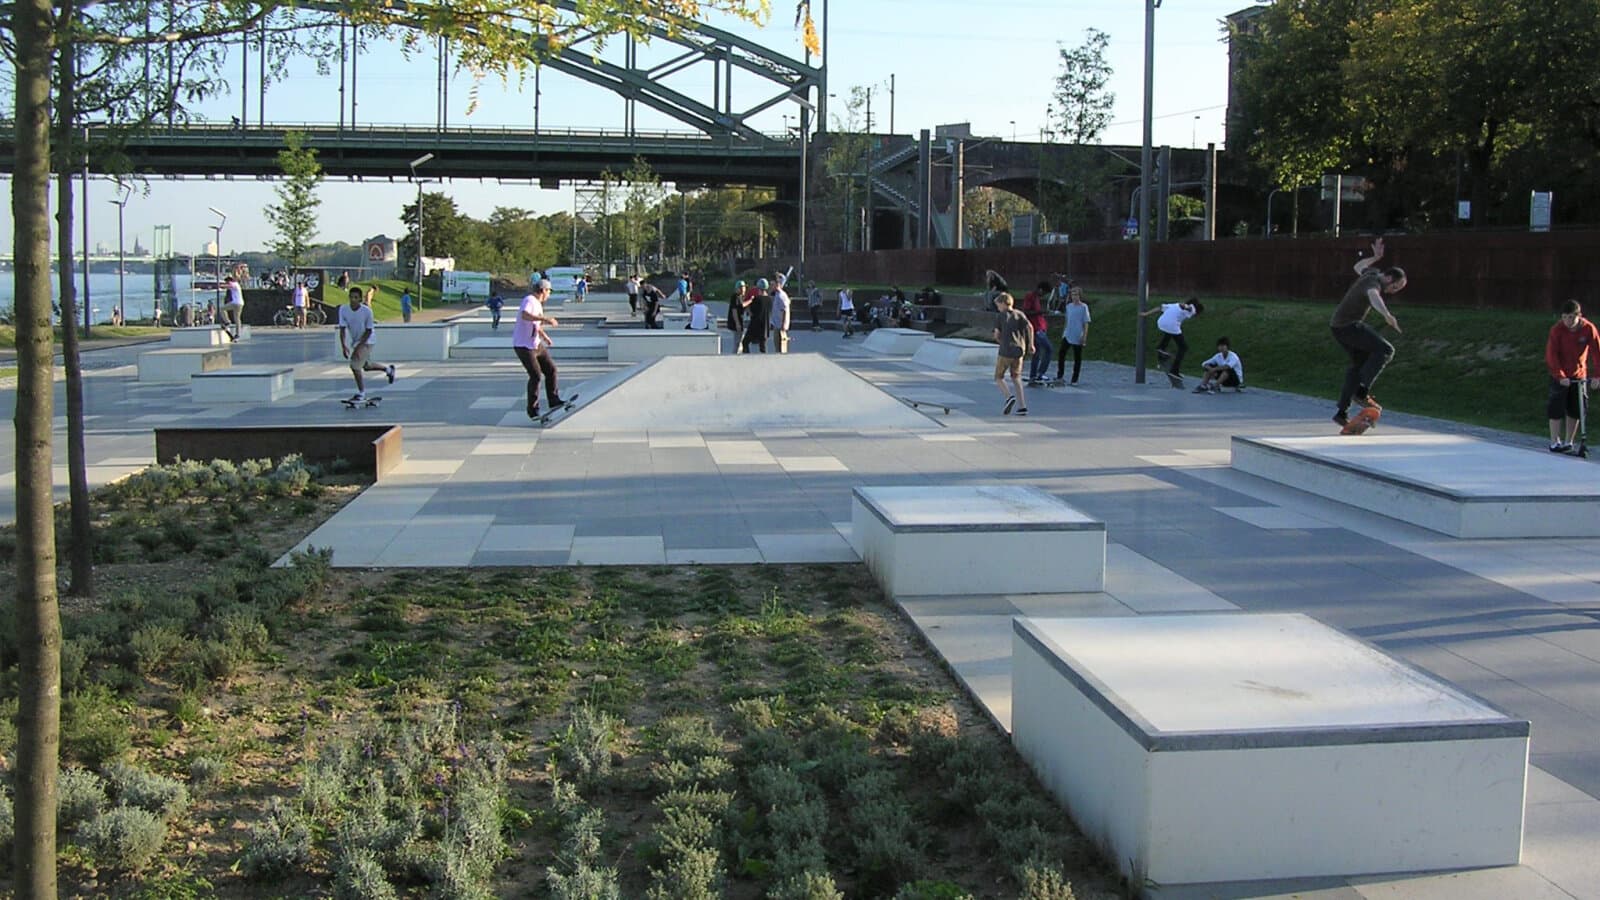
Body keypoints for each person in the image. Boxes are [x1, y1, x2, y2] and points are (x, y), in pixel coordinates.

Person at [1330, 236, 1406, 427]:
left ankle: (1341, 412)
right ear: (1388, 278)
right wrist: (1386, 315)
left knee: (1358, 365)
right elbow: (1374, 297)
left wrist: (1375, 257)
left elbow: (1358, 265)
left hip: (1338, 327)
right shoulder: (1373, 284)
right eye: (1394, 287)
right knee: (1386, 350)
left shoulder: (1370, 273)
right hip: (1348, 326)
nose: (1392, 291)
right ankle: (1361, 392)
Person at [1544, 299, 1600, 452]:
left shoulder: (1588, 329)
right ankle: (1555, 441)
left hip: (1579, 375)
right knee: (1556, 408)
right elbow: (1551, 355)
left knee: (1576, 409)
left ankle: (1569, 441)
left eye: (1571, 318)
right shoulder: (1557, 330)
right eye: (1565, 317)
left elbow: (1597, 353)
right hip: (1560, 376)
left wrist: (1597, 376)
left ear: (1579, 316)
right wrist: (1560, 375)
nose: (1568, 321)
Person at [513, 279, 564, 419]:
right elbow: (525, 315)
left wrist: (545, 337)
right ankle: (533, 409)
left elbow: (536, 325)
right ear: (543, 290)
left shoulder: (539, 305)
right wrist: (546, 319)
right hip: (523, 346)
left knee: (551, 370)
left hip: (536, 344)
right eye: (549, 291)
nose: (549, 295)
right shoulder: (529, 300)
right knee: (535, 375)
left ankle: (553, 400)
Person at [337, 286, 397, 402]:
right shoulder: (343, 310)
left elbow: (369, 331)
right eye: (351, 297)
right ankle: (389, 370)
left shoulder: (367, 311)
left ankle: (362, 393)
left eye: (356, 298)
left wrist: (358, 348)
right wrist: (344, 346)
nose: (353, 300)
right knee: (366, 366)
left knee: (355, 365)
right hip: (356, 341)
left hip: (368, 340)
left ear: (360, 299)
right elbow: (342, 329)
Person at [1139, 297, 1204, 388]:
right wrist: (1185, 306)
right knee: (1183, 347)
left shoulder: (1173, 305)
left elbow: (1159, 307)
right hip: (1171, 325)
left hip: (1161, 322)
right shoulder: (1193, 308)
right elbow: (1184, 306)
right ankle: (1175, 371)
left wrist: (1146, 314)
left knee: (1169, 332)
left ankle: (1161, 348)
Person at [992, 292, 1035, 416]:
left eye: (998, 305)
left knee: (998, 377)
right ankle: (1022, 406)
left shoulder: (1000, 316)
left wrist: (999, 340)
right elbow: (1030, 328)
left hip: (1005, 351)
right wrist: (1031, 344)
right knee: (1016, 377)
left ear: (1003, 303)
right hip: (1019, 350)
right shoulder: (1020, 314)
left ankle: (1008, 396)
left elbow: (996, 334)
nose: (998, 308)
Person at [1057, 286, 1090, 384]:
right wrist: (1064, 332)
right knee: (1061, 353)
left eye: (1076, 294)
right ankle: (1060, 375)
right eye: (1072, 294)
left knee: (1077, 357)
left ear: (1079, 296)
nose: (1074, 297)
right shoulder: (1069, 307)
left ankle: (1074, 378)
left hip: (1078, 334)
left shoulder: (1084, 307)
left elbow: (1086, 323)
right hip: (1068, 334)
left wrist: (1084, 336)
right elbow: (1067, 320)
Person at [1022, 281, 1054, 384]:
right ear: (1040, 289)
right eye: (1044, 293)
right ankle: (1040, 373)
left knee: (1037, 352)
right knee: (1049, 349)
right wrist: (1041, 312)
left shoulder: (1036, 298)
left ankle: (1033, 375)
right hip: (1036, 329)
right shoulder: (1030, 296)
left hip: (1039, 328)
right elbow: (1026, 311)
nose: (1044, 295)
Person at [743, 277, 771, 354]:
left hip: (755, 324)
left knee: (745, 342)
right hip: (765, 325)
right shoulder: (769, 299)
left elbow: (751, 311)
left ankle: (746, 357)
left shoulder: (756, 299)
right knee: (763, 346)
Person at [769, 273, 792, 354]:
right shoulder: (777, 295)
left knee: (780, 348)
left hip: (780, 326)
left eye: (772, 284)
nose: (771, 286)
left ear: (777, 284)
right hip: (777, 325)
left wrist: (783, 326)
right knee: (777, 348)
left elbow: (784, 311)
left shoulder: (781, 296)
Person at [221, 274, 245, 340]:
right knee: (237, 319)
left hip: (236, 303)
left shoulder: (234, 284)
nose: (226, 283)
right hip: (240, 303)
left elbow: (230, 285)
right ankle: (238, 334)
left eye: (226, 282)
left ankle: (227, 322)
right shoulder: (237, 284)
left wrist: (221, 286)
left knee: (222, 309)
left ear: (229, 281)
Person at [727, 280, 747, 351]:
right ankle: (734, 355)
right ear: (737, 289)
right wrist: (737, 323)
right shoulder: (735, 297)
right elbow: (734, 311)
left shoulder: (741, 297)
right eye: (741, 288)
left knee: (740, 339)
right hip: (735, 322)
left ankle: (739, 353)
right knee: (737, 341)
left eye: (744, 287)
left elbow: (743, 306)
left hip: (740, 320)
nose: (743, 289)